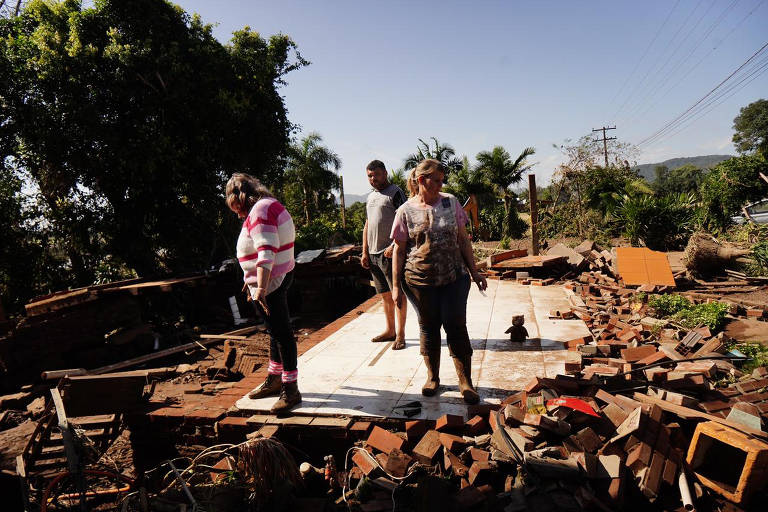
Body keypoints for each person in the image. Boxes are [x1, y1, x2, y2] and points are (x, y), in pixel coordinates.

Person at [390, 159, 488, 404]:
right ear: (422, 180)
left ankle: (465, 381)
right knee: (429, 327)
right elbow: (399, 251)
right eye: (436, 180)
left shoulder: (451, 202)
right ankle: (432, 376)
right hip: (419, 281)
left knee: (455, 325)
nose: (440, 184)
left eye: (442, 180)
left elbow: (463, 240)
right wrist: (394, 287)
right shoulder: (405, 211)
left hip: (454, 277)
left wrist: (474, 271)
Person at [225, 173, 300, 414]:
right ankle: (275, 378)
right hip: (277, 276)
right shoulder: (269, 205)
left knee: (282, 334)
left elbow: (267, 251)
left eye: (236, 206)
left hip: (272, 283)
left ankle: (291, 390)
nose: (237, 214)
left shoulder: (259, 210)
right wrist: (253, 281)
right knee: (275, 332)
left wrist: (262, 288)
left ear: (241, 197)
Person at [361, 160, 408, 350]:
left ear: (385, 173)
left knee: (398, 295)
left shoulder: (395, 193)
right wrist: (364, 251)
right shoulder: (371, 197)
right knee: (385, 296)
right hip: (373, 254)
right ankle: (390, 330)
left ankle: (401, 335)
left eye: (376, 175)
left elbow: (405, 220)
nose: (373, 179)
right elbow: (367, 224)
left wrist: (394, 245)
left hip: (389, 254)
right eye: (370, 176)